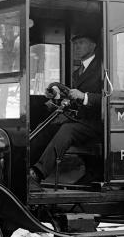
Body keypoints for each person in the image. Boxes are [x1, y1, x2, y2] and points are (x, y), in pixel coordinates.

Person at [28, 32, 102, 191]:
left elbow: (110, 97)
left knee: (68, 130)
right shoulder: (79, 71)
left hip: (98, 123)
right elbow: (73, 96)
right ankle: (25, 169)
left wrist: (85, 96)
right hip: (80, 120)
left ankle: (37, 174)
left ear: (93, 45)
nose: (76, 47)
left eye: (81, 42)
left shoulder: (102, 67)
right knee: (47, 127)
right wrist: (58, 95)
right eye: (75, 43)